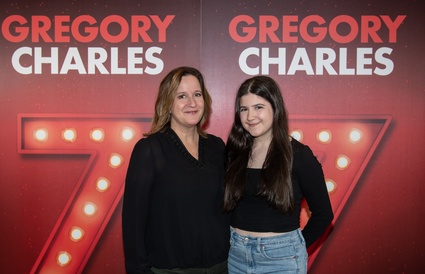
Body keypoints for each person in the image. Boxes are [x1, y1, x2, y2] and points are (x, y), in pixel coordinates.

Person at [122, 66, 230, 274]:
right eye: (182, 96)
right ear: (168, 104)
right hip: (169, 270)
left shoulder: (217, 147)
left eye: (197, 94)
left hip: (221, 267)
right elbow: (133, 221)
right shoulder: (150, 149)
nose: (192, 103)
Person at [223, 76, 334, 274]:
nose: (250, 116)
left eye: (259, 107)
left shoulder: (298, 154)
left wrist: (293, 248)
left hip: (281, 261)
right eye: (244, 109)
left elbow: (324, 214)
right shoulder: (235, 151)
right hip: (236, 257)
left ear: (275, 108)